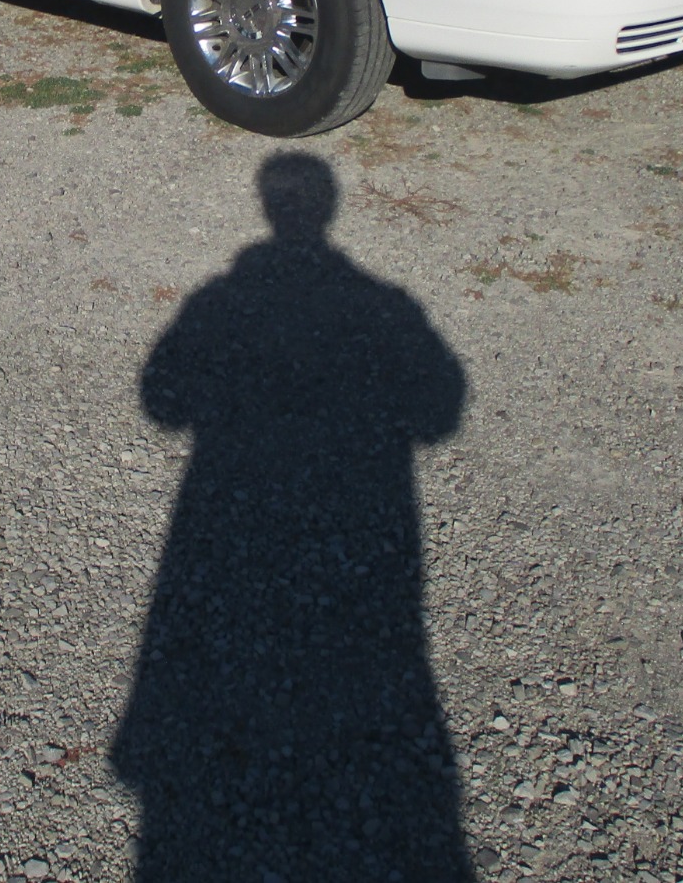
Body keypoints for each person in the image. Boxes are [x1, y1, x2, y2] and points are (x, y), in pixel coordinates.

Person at [113, 152, 475, 881]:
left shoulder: (218, 299)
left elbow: (161, 398)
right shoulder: (388, 305)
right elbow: (441, 410)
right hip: (365, 540)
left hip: (225, 528)